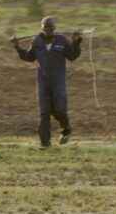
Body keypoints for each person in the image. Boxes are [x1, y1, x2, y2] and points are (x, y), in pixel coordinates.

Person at [10, 16, 82, 149]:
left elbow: (72, 56)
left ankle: (66, 129)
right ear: (42, 28)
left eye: (51, 28)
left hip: (58, 81)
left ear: (54, 29)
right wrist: (17, 47)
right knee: (44, 113)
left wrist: (76, 42)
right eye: (46, 28)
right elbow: (29, 57)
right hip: (43, 82)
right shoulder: (36, 41)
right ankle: (45, 144)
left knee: (59, 109)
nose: (48, 31)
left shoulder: (62, 40)